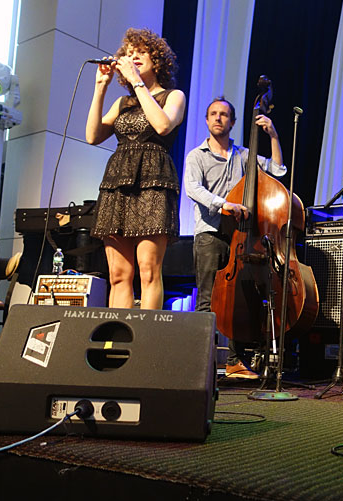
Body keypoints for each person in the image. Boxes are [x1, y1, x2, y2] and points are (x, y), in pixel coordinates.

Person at [184, 97, 286, 379]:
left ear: (233, 122)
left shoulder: (245, 156)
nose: (218, 118)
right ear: (207, 120)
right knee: (207, 299)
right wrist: (224, 204)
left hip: (240, 237)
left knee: (237, 301)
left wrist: (273, 135)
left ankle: (234, 362)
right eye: (213, 114)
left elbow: (278, 172)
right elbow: (192, 188)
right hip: (211, 233)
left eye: (224, 114)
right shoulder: (197, 156)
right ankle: (199, 365)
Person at [86, 28, 186, 309]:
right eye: (129, 53)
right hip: (118, 182)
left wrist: (137, 84)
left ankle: (145, 342)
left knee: (148, 270)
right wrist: (101, 87)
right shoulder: (122, 103)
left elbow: (163, 125)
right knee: (118, 275)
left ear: (158, 60)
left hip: (154, 181)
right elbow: (92, 136)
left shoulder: (173, 96)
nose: (133, 57)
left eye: (140, 52)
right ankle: (118, 340)